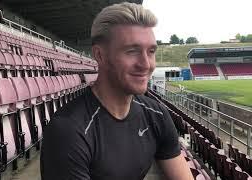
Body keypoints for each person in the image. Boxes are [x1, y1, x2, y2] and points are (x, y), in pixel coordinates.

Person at [40, 2, 194, 180]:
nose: (146, 64)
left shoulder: (157, 115)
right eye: (132, 51)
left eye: (151, 51)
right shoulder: (68, 131)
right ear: (100, 55)